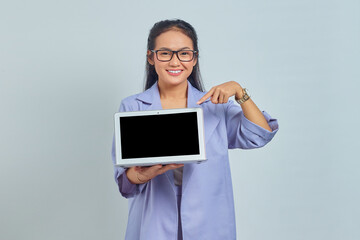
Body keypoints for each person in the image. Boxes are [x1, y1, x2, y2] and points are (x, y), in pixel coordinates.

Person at [112, 19, 279, 240]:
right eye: (165, 53)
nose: (175, 62)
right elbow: (125, 184)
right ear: (151, 57)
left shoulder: (215, 106)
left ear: (194, 58)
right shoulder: (132, 106)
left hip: (209, 220)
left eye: (184, 53)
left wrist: (240, 92)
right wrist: (141, 174)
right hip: (154, 219)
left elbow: (260, 134)